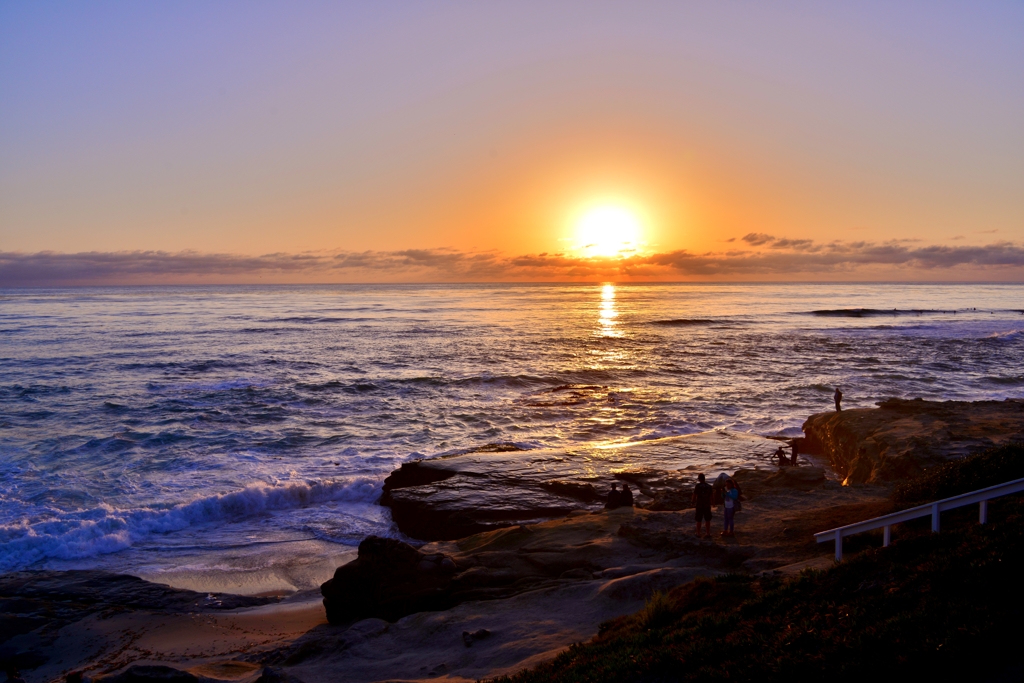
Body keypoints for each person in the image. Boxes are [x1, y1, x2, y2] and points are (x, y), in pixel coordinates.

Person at [691, 473, 713, 538]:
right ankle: (708, 533)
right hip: (707, 505)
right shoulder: (709, 486)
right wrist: (713, 503)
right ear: (704, 478)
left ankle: (698, 533)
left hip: (699, 505)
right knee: (707, 519)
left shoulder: (697, 486)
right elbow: (712, 496)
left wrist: (692, 502)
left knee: (698, 520)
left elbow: (694, 495)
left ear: (699, 479)